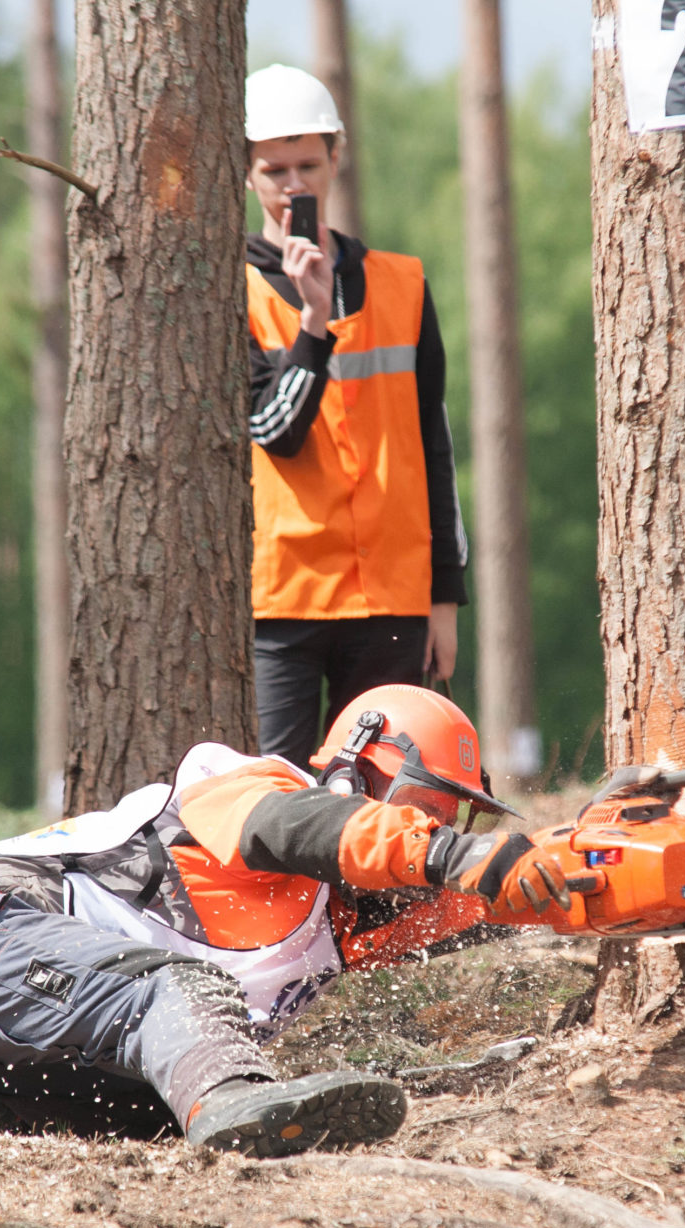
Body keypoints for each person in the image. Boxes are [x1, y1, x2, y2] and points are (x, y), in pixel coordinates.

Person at [0, 685, 569, 1157]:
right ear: (353, 775)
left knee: (158, 1101)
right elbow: (305, 829)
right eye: (423, 807)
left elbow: (521, 889)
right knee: (180, 992)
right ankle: (232, 1104)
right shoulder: (249, 788)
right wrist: (450, 853)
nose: (434, 826)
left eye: (455, 818)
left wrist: (591, 861)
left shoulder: (358, 921)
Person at [242, 65, 471, 769]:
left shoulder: (403, 283)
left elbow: (434, 443)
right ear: (248, 174)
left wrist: (445, 597)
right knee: (273, 797)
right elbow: (274, 432)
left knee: (384, 802)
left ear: (337, 157)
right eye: (275, 169)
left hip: (394, 598)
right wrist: (314, 322)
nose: (294, 185)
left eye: (308, 164)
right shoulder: (231, 290)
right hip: (282, 600)